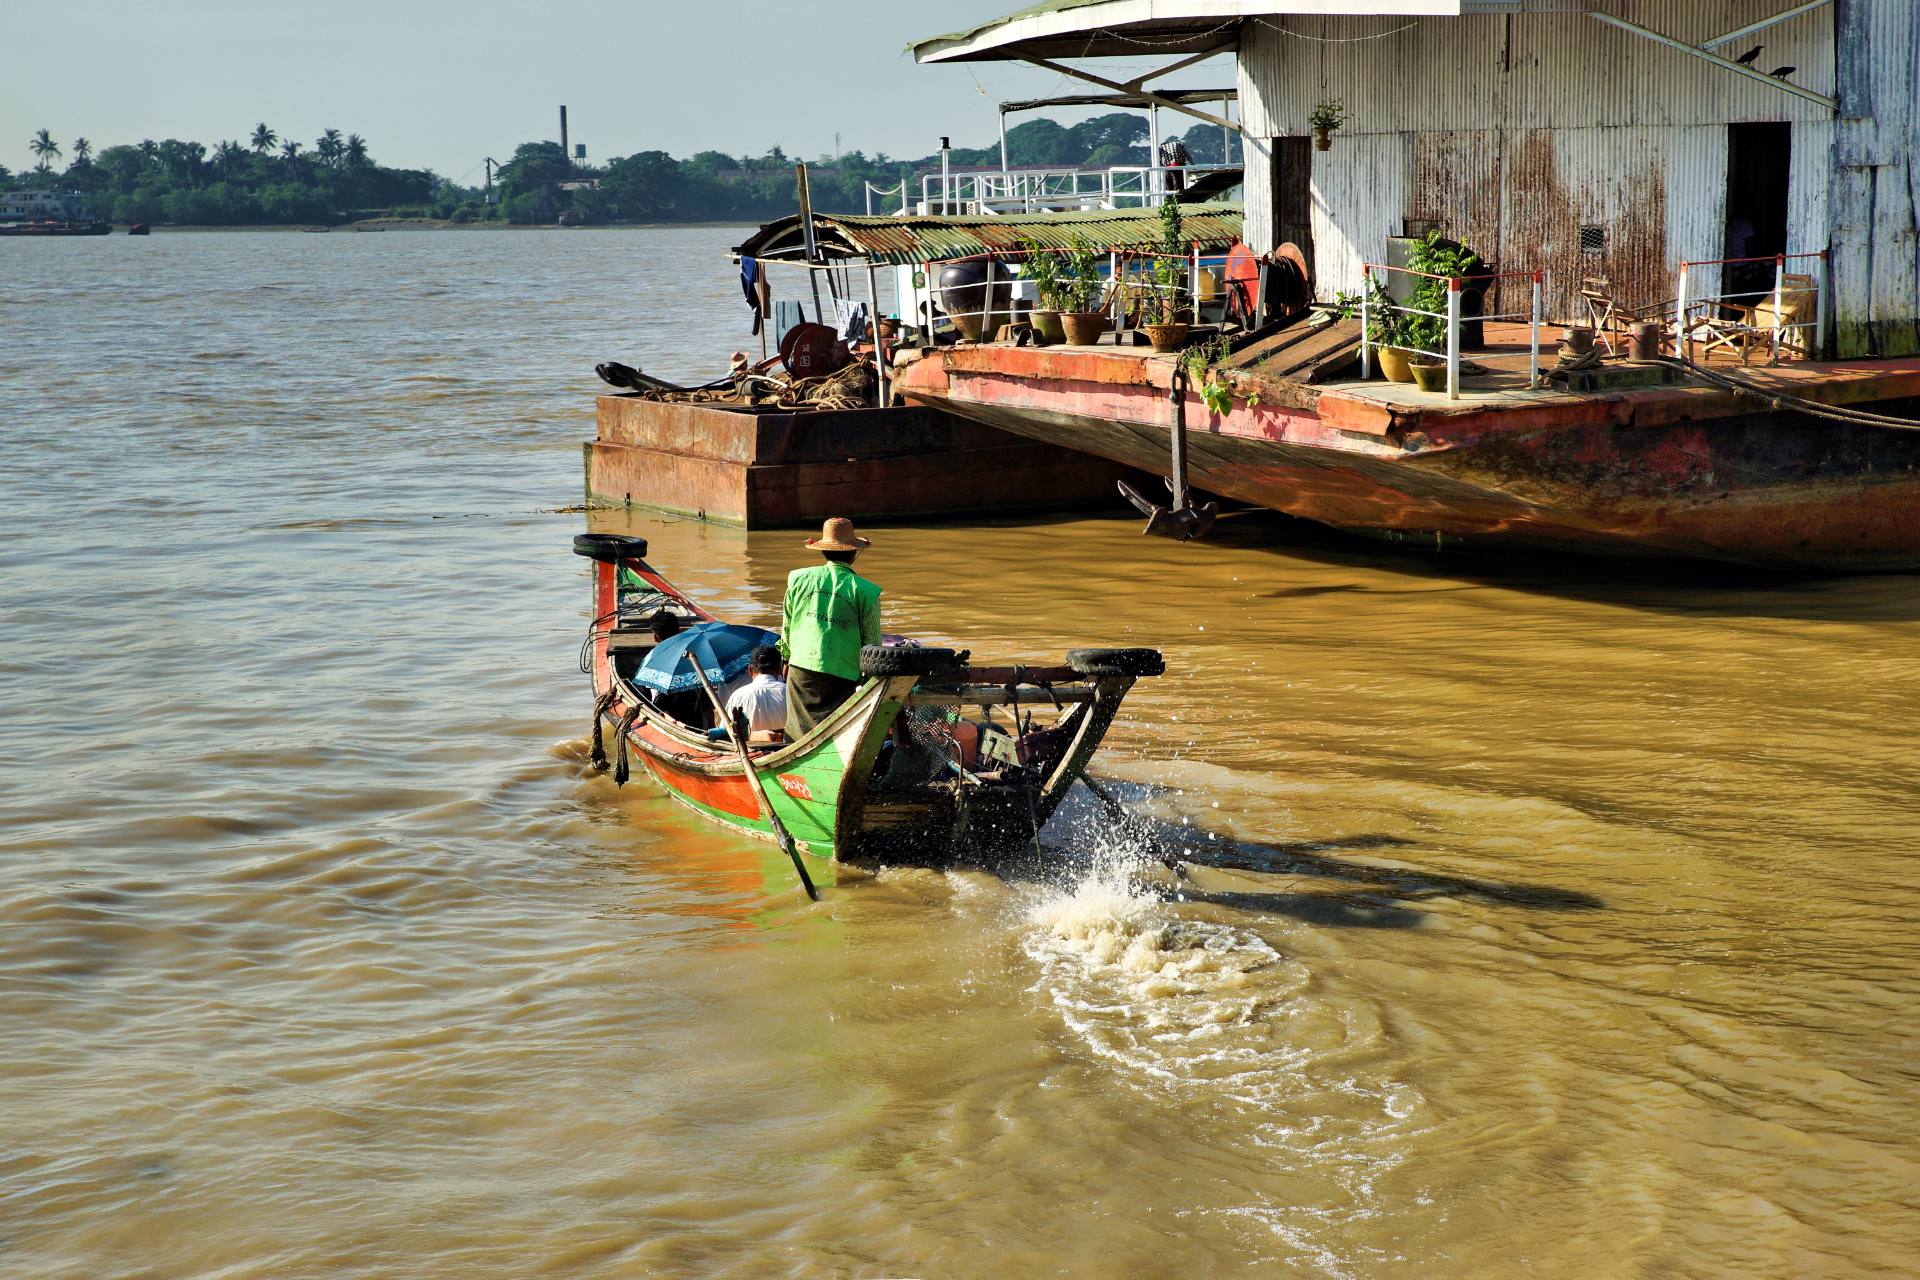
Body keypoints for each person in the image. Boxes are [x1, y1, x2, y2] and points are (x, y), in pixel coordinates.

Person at [779, 517, 880, 739]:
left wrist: (785, 658)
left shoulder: (797, 579)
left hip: (801, 666)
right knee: (835, 733)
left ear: (823, 552)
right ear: (854, 553)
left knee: (797, 732)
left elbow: (787, 625)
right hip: (843, 673)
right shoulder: (866, 591)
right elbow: (873, 645)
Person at [706, 645, 787, 742]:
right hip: (791, 751)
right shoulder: (789, 692)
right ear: (779, 669)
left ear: (750, 669)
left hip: (751, 754)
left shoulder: (738, 695)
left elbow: (726, 733)